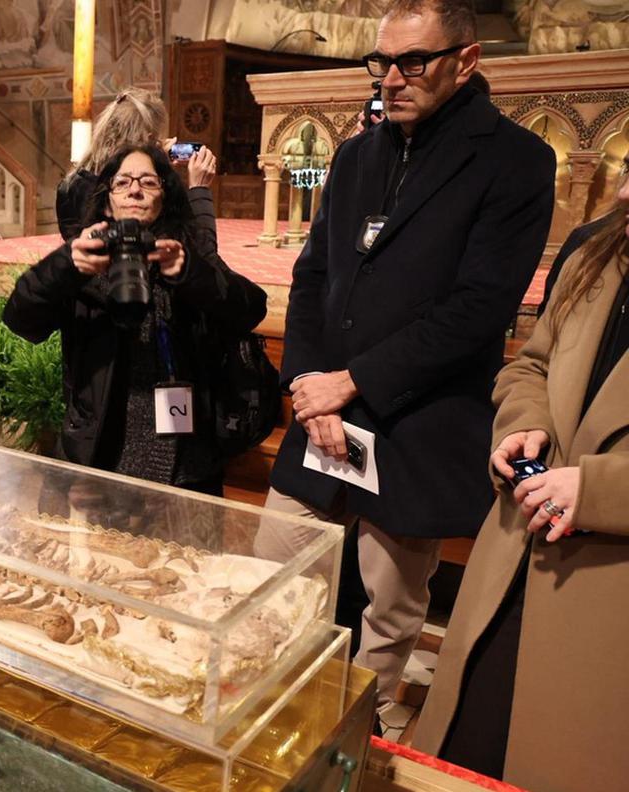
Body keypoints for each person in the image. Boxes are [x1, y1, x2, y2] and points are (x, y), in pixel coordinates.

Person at [255, 0, 556, 739]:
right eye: (381, 63)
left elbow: (478, 310)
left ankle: (364, 741)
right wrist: (307, 388)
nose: (392, 78)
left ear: (467, 59)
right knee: (272, 581)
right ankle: (266, 717)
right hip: (323, 416)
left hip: (418, 420)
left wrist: (350, 382)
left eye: (412, 61)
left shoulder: (515, 160)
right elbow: (314, 276)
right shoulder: (359, 154)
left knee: (387, 619)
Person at [412, 170, 629, 790]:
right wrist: (522, 424)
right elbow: (530, 365)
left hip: (605, 593)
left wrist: (598, 491)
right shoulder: (596, 255)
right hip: (516, 556)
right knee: (462, 751)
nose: (622, 195)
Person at [2, 144, 267, 498]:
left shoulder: (184, 254)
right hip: (99, 464)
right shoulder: (86, 260)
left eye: (148, 182)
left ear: (165, 196)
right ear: (108, 199)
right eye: (122, 182)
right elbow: (21, 319)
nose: (135, 190)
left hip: (186, 466)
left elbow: (251, 309)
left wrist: (189, 272)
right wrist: (65, 266)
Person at [55, 88, 218, 246]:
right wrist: (199, 187)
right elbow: (204, 256)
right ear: (149, 139)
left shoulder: (69, 185)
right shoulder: (142, 195)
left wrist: (155, 164)